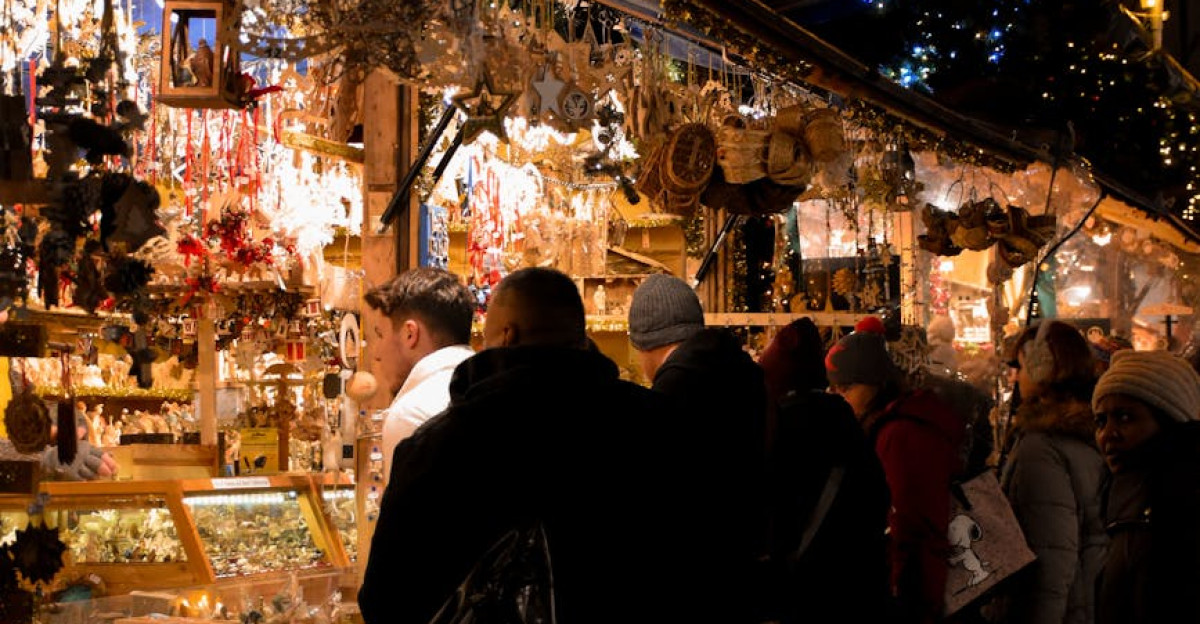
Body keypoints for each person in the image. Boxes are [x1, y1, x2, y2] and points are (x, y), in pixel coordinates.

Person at [359, 267, 699, 624]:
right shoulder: (656, 424)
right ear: (578, 336)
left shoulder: (438, 446)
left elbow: (387, 599)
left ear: (507, 336)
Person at [627, 273, 768, 622]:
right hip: (745, 571)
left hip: (691, 584)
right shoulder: (742, 373)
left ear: (644, 343)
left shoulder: (672, 393)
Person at [824, 316, 964, 624]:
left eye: (846, 389)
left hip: (917, 598)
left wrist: (913, 607)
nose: (839, 399)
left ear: (875, 383)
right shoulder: (888, 426)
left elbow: (914, 528)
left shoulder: (900, 436)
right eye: (834, 390)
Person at [757, 318, 890, 623]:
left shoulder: (777, 430)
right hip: (857, 592)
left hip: (800, 596)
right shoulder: (848, 425)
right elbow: (876, 499)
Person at [994, 320, 1106, 624]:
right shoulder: (1089, 434)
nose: (1016, 377)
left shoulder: (1041, 448)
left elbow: (1050, 558)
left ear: (1042, 369)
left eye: (1021, 366)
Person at [1092, 350, 1200, 624]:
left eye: (1125, 417)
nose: (1108, 434)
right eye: (1101, 421)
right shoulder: (1126, 495)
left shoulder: (1178, 506)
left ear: (1169, 421)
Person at [363, 267, 475, 477]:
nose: (377, 353)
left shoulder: (411, 415)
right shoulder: (488, 389)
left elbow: (409, 511)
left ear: (409, 334)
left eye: (380, 335)